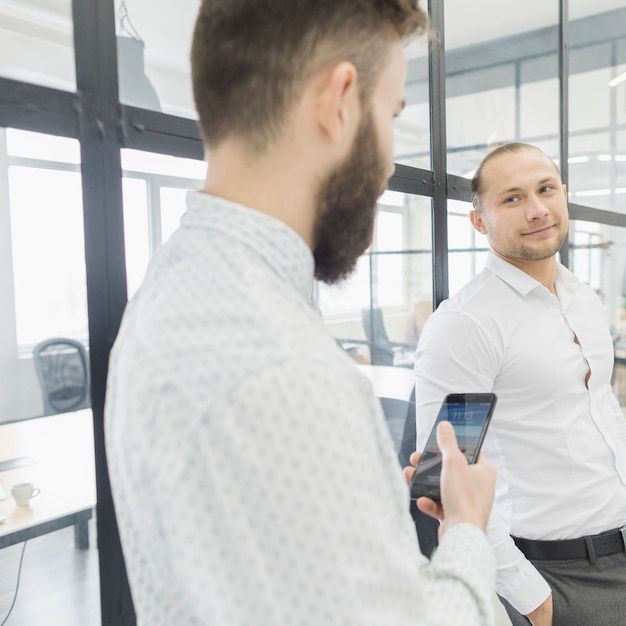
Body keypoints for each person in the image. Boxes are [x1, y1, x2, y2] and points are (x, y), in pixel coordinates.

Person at [104, 1, 500, 624]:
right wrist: (467, 531)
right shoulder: (286, 366)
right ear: (340, 99)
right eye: (390, 115)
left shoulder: (171, 292)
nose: (391, 161)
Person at [414, 141, 626, 626]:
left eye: (545, 189)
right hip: (553, 579)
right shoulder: (466, 325)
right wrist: (535, 600)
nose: (536, 210)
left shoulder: (582, 299)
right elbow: (445, 480)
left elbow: (601, 409)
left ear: (564, 196)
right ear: (480, 221)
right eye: (511, 198)